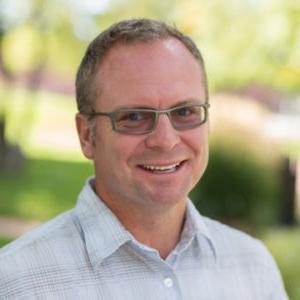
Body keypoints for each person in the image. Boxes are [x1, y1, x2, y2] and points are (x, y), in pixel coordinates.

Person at [0, 18, 288, 299]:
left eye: (185, 112)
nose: (165, 140)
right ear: (87, 136)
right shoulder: (15, 282)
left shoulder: (254, 268)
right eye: (134, 117)